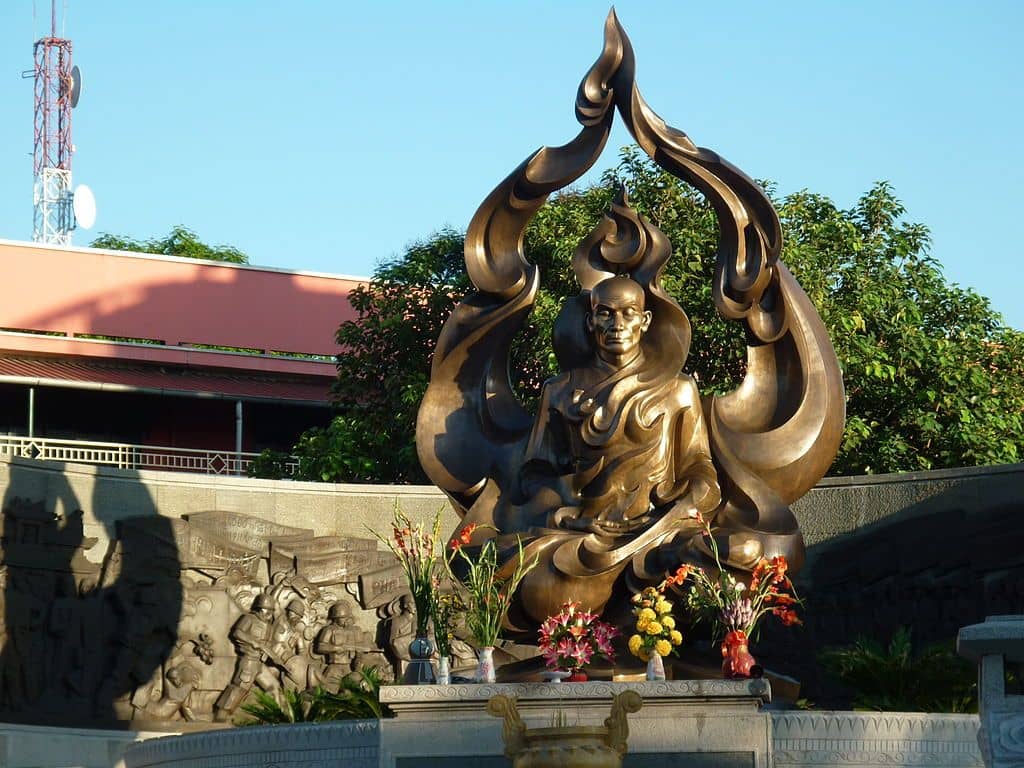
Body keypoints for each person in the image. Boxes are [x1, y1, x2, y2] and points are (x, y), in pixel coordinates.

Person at [522, 275, 720, 533]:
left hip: (657, 526)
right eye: (605, 314)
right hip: (582, 527)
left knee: (741, 551)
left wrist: (692, 497)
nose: (617, 325)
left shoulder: (678, 388)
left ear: (645, 320)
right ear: (590, 321)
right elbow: (535, 474)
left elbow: (697, 463)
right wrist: (569, 513)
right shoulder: (559, 390)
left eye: (629, 313)